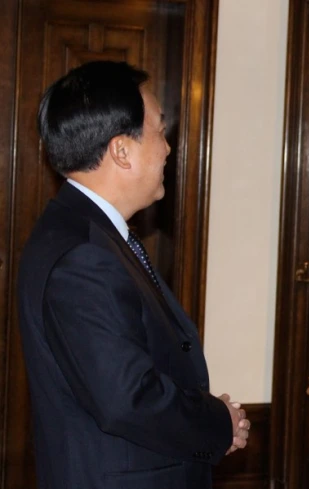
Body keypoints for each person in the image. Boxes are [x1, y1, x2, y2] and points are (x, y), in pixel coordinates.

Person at [17, 61, 250, 489]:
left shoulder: (89, 232)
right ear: (122, 150)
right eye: (160, 130)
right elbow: (127, 399)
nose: (167, 147)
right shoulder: (83, 255)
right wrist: (217, 423)